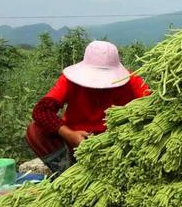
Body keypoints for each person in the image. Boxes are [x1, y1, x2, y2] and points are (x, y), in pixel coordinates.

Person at [25, 40, 150, 175]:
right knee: (35, 130)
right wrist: (70, 135)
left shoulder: (132, 81)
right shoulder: (69, 80)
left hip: (116, 142)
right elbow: (42, 111)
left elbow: (154, 107)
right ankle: (66, 172)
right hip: (75, 141)